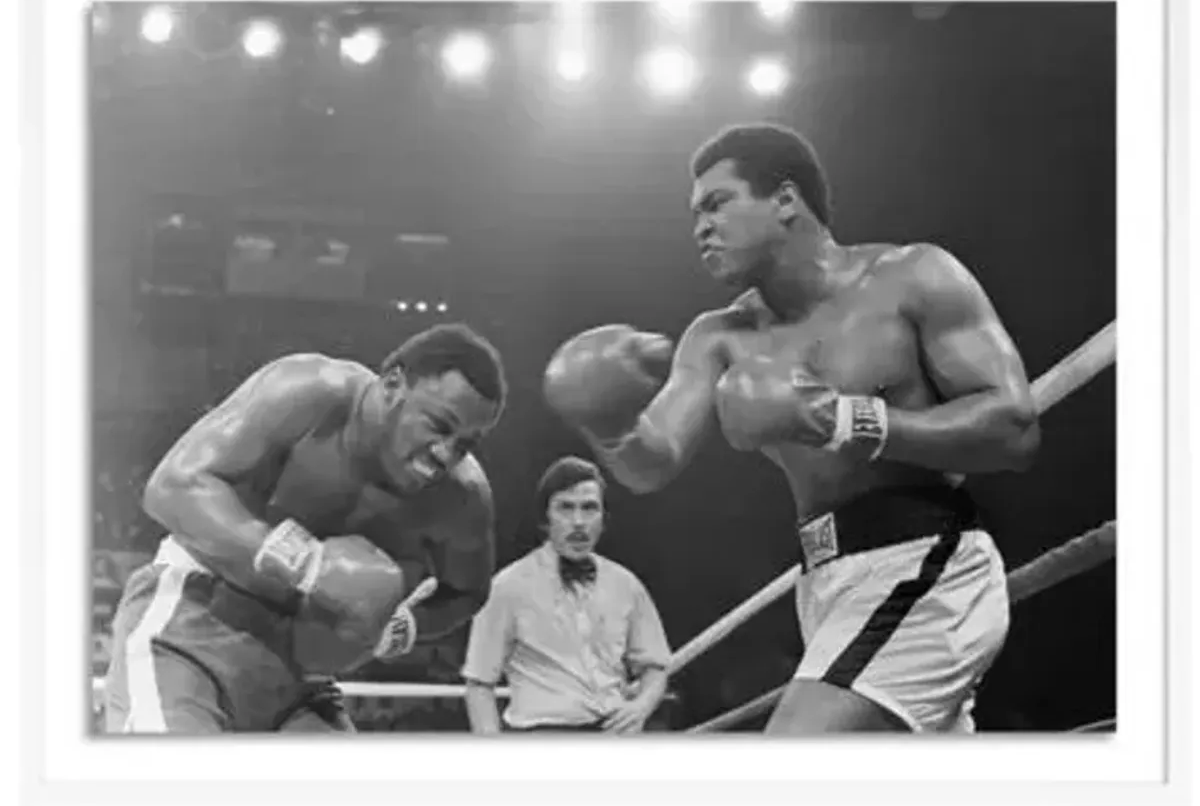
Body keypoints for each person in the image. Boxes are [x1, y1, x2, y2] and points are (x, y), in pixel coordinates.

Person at [544, 122, 1040, 734]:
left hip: (926, 563)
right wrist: (609, 420)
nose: (700, 227)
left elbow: (1014, 428)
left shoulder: (911, 277)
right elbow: (652, 461)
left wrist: (842, 418)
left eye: (717, 204)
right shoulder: (717, 337)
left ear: (784, 200)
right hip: (827, 581)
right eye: (694, 214)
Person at [101, 323, 507, 733]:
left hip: (302, 674)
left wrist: (404, 627)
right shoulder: (312, 392)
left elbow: (468, 591)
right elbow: (173, 486)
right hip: (192, 617)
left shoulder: (462, 496)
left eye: (466, 443)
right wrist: (306, 563)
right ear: (393, 384)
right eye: (439, 425)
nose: (445, 453)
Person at [461, 457, 671, 733]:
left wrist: (640, 706)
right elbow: (479, 683)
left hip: (614, 736)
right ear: (545, 518)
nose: (578, 522)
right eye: (565, 508)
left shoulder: (626, 584)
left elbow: (656, 666)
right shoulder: (508, 586)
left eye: (589, 508)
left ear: (603, 519)